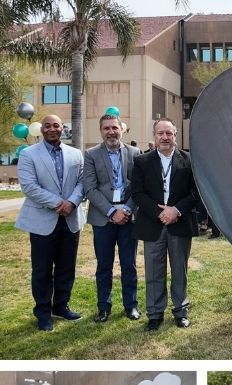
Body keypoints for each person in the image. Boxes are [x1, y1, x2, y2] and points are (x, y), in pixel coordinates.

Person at [14, 114, 84, 332]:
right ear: (41, 129)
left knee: (66, 267)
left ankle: (61, 306)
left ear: (63, 128)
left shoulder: (76, 154)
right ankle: (43, 313)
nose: (52, 129)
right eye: (47, 126)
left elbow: (83, 182)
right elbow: (29, 186)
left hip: (70, 219)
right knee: (42, 269)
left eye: (56, 125)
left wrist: (71, 203)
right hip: (43, 219)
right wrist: (58, 203)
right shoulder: (28, 155)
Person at [130, 119, 199, 331]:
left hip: (180, 223)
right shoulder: (142, 161)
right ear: (154, 136)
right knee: (154, 272)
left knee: (180, 270)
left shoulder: (189, 160)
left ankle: (181, 311)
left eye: (169, 133)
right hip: (153, 224)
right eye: (160, 133)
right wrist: (161, 212)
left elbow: (196, 192)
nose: (165, 137)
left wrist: (176, 210)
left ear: (175, 135)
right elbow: (137, 193)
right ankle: (155, 313)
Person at [81, 114, 142, 323]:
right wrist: (111, 212)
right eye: (106, 128)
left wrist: (125, 209)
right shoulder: (90, 155)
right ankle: (103, 307)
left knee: (129, 265)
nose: (111, 132)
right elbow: (89, 188)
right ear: (101, 131)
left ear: (121, 130)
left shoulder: (135, 153)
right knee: (104, 265)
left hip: (128, 218)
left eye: (114, 128)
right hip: (102, 219)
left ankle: (131, 305)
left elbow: (139, 187)